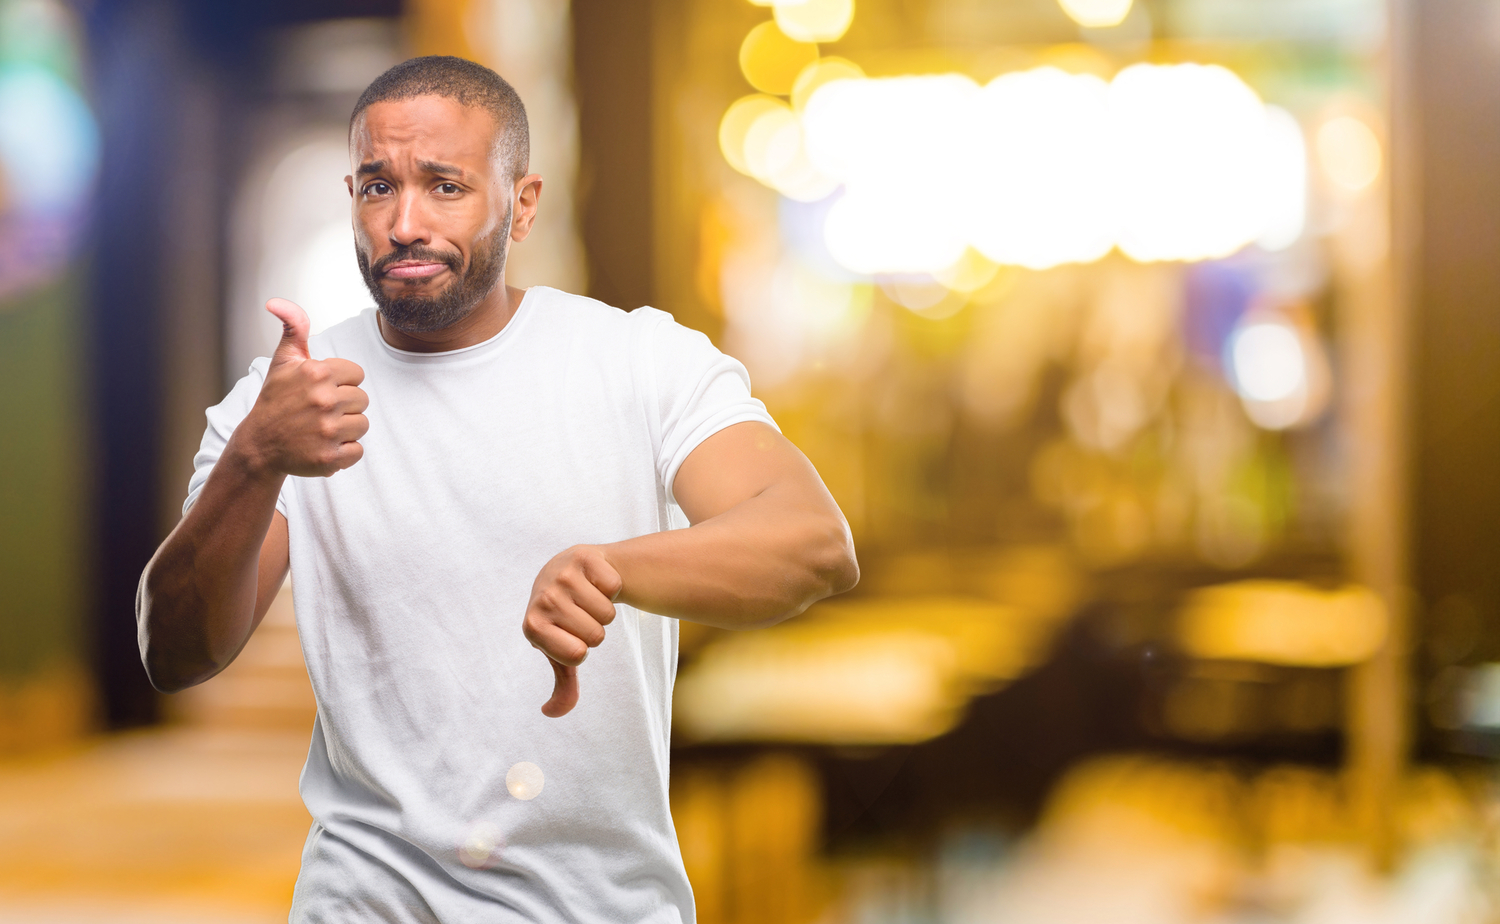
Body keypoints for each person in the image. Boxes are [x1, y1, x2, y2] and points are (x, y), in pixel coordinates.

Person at [136, 56, 858, 922]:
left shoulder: (638, 361)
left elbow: (814, 542)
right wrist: (255, 459)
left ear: (521, 203)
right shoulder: (288, 400)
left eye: (446, 186)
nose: (404, 222)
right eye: (376, 187)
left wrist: (612, 568)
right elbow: (174, 653)